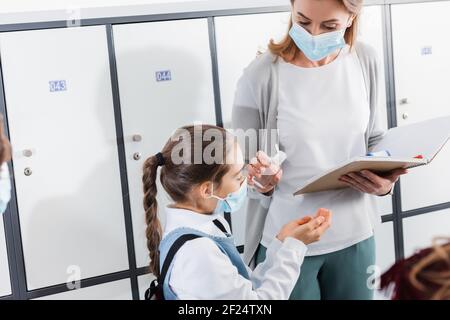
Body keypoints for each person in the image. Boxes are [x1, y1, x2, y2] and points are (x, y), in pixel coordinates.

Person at [232, 0, 408, 299]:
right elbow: (240, 170)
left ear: (351, 18)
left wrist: (385, 184)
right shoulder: (260, 75)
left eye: (329, 26)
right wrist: (261, 182)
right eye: (303, 22)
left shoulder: (364, 59)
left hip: (355, 236)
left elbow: (376, 140)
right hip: (288, 240)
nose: (313, 35)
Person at [143, 124, 331, 299]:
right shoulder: (198, 252)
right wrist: (294, 247)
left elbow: (246, 287)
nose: (245, 180)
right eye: (237, 175)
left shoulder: (204, 226)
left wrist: (281, 244)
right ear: (207, 190)